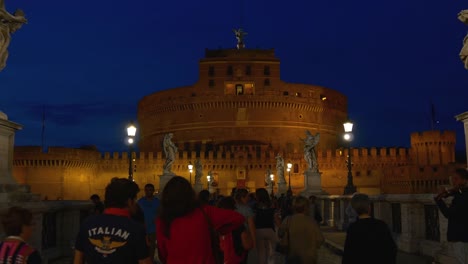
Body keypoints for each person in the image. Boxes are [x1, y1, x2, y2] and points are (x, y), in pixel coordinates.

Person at [156, 176, 245, 264]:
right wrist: (219, 230)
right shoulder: (205, 212)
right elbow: (238, 218)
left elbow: (163, 254)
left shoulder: (162, 221)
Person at [73, 178, 152, 264]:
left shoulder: (87, 224)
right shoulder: (136, 229)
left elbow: (78, 260)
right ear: (129, 201)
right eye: (135, 199)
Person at [342, 193, 397, 264]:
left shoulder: (353, 228)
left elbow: (348, 254)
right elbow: (391, 249)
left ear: (354, 209)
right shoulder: (381, 225)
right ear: (369, 207)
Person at [434, 168, 468, 264]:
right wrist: (449, 192)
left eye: (456, 179)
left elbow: (448, 214)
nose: (453, 181)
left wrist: (439, 200)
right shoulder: (462, 193)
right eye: (452, 179)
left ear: (464, 180)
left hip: (461, 237)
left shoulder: (462, 197)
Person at [278, 196, 324, 264]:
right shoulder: (312, 221)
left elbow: (280, 233)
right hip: (309, 258)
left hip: (292, 256)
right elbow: (320, 239)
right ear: (307, 208)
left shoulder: (288, 220)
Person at [217, 196, 253, 264]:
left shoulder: (216, 224)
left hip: (221, 259)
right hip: (237, 259)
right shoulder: (238, 223)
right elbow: (247, 245)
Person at [253, 188, 280, 264]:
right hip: (270, 230)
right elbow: (276, 219)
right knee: (271, 252)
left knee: (261, 253)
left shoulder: (255, 206)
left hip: (259, 231)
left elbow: (253, 220)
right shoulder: (271, 205)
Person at [138, 183, 160, 263]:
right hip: (143, 230)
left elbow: (160, 214)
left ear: (153, 191)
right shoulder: (140, 202)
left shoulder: (157, 202)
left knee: (152, 249)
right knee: (142, 249)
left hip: (153, 230)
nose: (148, 192)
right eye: (147, 190)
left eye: (150, 190)